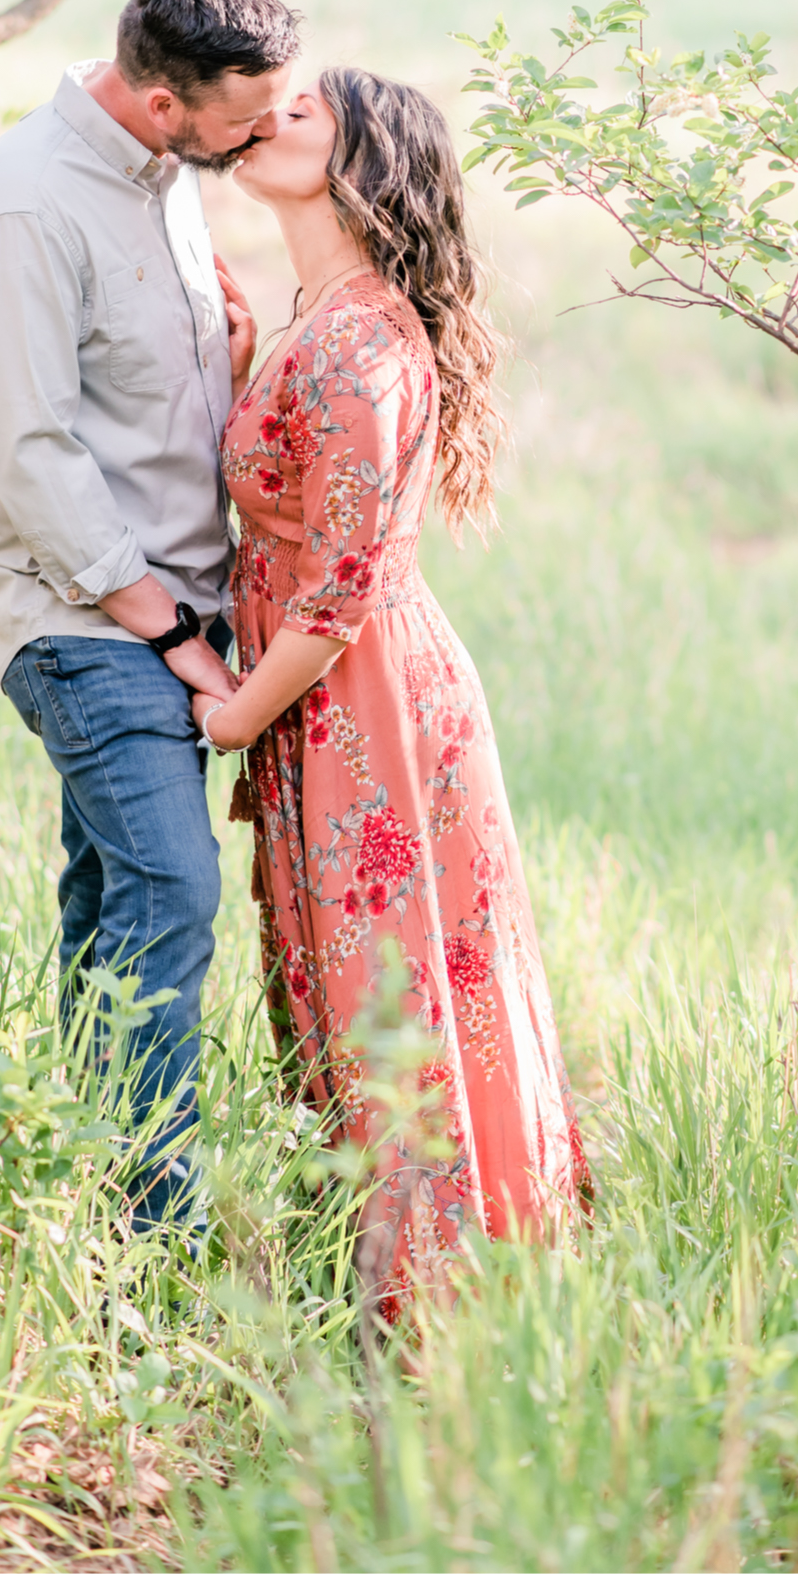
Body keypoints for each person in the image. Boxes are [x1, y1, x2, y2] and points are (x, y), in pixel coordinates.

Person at [196, 67, 591, 1321]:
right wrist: (246, 369)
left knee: (394, 976)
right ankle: (376, 1272)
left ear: (360, 164)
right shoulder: (322, 316)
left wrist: (231, 713)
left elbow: (341, 588)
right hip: (326, 695)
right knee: (353, 971)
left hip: (364, 699)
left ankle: (437, 1290)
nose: (268, 118)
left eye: (302, 111)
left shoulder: (363, 340)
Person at [0, 0, 297, 1229]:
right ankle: (153, 1225)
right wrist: (177, 633)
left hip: (170, 605)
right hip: (80, 616)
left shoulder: (169, 178)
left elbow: (141, 404)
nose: (261, 138)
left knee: (110, 899)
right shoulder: (26, 208)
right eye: (243, 119)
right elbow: (33, 455)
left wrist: (233, 361)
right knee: (175, 887)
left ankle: (78, 1193)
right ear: (161, 101)